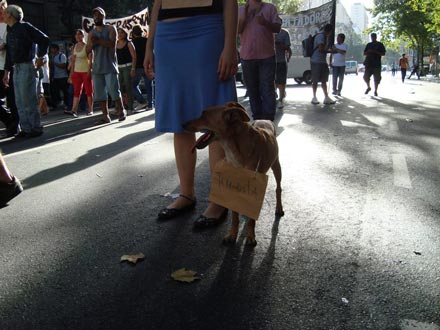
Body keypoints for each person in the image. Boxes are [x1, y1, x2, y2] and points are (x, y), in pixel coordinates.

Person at [144, 0, 238, 227]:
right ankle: (186, 194)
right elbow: (157, 3)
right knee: (181, 119)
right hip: (166, 35)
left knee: (216, 122)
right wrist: (148, 46)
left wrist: (229, 45)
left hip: (206, 29)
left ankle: (219, 200)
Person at [2, 4, 49, 138]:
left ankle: (35, 127)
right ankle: (26, 128)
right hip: (16, 67)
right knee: (19, 101)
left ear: (10, 15)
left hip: (27, 65)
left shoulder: (24, 27)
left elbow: (44, 39)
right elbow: (10, 54)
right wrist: (7, 72)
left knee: (28, 99)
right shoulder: (10, 30)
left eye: (5, 13)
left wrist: (40, 57)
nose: (3, 15)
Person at [238, 0, 281, 120]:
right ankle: (257, 118)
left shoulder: (270, 8)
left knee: (267, 88)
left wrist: (265, 22)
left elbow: (277, 28)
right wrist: (244, 18)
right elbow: (236, 31)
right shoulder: (241, 10)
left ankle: (268, 120)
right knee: (252, 89)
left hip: (267, 56)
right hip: (247, 57)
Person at [86, 7, 126, 125]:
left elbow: (112, 44)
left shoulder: (110, 29)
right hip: (97, 68)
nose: (97, 17)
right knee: (100, 94)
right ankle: (105, 116)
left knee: (114, 90)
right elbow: (87, 50)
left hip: (109, 65)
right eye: (95, 15)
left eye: (99, 15)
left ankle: (121, 110)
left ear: (104, 16)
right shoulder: (91, 33)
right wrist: (92, 44)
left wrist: (98, 41)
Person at [64, 29, 93, 117]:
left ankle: (90, 110)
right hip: (77, 72)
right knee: (76, 91)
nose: (78, 36)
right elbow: (73, 61)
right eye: (76, 35)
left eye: (80, 34)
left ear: (83, 36)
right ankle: (74, 110)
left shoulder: (87, 46)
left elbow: (91, 61)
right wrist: (71, 73)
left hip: (85, 71)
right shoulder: (74, 46)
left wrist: (89, 71)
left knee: (89, 91)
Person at [0, 0, 18, 138]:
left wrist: (5, 45)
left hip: (9, 66)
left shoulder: (12, 26)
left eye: (4, 9)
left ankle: (14, 126)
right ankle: (9, 121)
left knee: (12, 99)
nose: (3, 12)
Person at [310, 23, 335, 105]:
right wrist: (331, 51)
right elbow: (321, 49)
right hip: (316, 61)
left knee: (324, 80)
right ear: (330, 31)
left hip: (322, 61)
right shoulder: (321, 36)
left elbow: (323, 48)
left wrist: (329, 49)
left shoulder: (325, 37)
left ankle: (326, 97)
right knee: (315, 80)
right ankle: (314, 97)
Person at [131, 24, 153, 111]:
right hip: (147, 65)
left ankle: (142, 101)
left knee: (133, 85)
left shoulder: (132, 42)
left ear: (133, 33)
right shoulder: (146, 41)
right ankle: (150, 104)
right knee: (149, 86)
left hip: (137, 66)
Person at [116, 27, 136, 114]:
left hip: (128, 67)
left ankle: (131, 107)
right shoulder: (115, 43)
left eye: (122, 32)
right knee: (118, 87)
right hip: (118, 67)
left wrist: (133, 68)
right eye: (118, 32)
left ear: (125, 34)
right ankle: (120, 107)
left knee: (128, 87)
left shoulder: (129, 43)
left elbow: (134, 57)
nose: (120, 34)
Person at [363, 32, 386, 97]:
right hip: (369, 64)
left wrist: (376, 52)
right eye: (372, 37)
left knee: (377, 78)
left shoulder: (380, 45)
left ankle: (375, 90)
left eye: (374, 37)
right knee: (365, 77)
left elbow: (383, 53)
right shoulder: (369, 45)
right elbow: (364, 53)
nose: (373, 38)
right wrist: (369, 51)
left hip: (377, 64)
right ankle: (368, 87)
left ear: (376, 37)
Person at [274, 27, 291, 108]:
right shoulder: (267, 31)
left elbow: (287, 48)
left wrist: (277, 42)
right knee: (271, 81)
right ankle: (274, 96)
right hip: (268, 61)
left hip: (281, 61)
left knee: (281, 81)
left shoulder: (284, 33)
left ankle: (281, 99)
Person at [49, 43, 69, 109]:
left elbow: (63, 66)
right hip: (56, 77)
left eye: (52, 49)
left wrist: (54, 63)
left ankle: (67, 104)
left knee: (65, 91)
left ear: (55, 49)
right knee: (55, 92)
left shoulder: (62, 56)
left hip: (63, 77)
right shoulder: (53, 56)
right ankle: (56, 104)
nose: (51, 50)